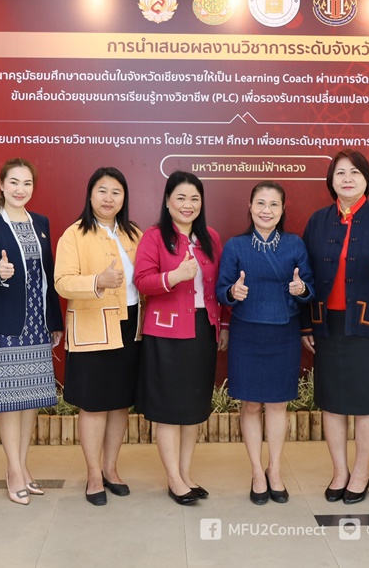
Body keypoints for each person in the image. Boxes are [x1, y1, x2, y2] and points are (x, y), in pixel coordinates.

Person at [301, 149, 369, 505]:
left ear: (366, 180)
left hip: (368, 323)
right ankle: (339, 472)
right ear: (331, 180)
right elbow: (305, 275)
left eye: (355, 173)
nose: (347, 179)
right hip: (328, 325)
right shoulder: (318, 221)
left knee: (367, 404)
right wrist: (306, 326)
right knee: (332, 403)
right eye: (340, 173)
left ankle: (361, 472)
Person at [133, 171, 228, 506]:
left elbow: (220, 285)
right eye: (181, 198)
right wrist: (174, 276)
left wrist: (223, 325)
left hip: (203, 329)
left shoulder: (210, 237)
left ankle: (186, 475)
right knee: (169, 409)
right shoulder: (154, 236)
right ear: (167, 201)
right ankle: (173, 479)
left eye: (194, 199)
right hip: (167, 333)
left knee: (193, 408)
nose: (188, 205)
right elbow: (142, 281)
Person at [217, 181, 315, 505]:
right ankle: (257, 472)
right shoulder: (236, 245)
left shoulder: (294, 244)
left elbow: (310, 288)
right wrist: (233, 292)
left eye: (274, 204)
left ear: (283, 209)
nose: (266, 210)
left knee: (277, 404)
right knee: (249, 405)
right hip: (246, 332)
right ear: (250, 206)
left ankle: (275, 470)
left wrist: (302, 290)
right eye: (260, 203)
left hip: (283, 332)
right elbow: (221, 290)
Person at [0, 158, 64, 505]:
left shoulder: (40, 222)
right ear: (1, 184)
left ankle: (23, 466)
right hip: (7, 326)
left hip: (37, 325)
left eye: (27, 183)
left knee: (30, 403)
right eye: (13, 182)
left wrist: (54, 320)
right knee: (10, 403)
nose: (20, 189)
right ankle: (13, 471)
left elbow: (48, 275)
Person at [54, 167, 142, 506]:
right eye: (102, 191)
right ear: (90, 195)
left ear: (124, 198)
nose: (108, 198)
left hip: (130, 326)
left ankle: (111, 469)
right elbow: (62, 282)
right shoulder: (74, 234)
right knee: (93, 405)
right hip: (93, 328)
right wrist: (97, 282)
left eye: (116, 192)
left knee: (120, 402)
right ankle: (93, 474)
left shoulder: (134, 233)